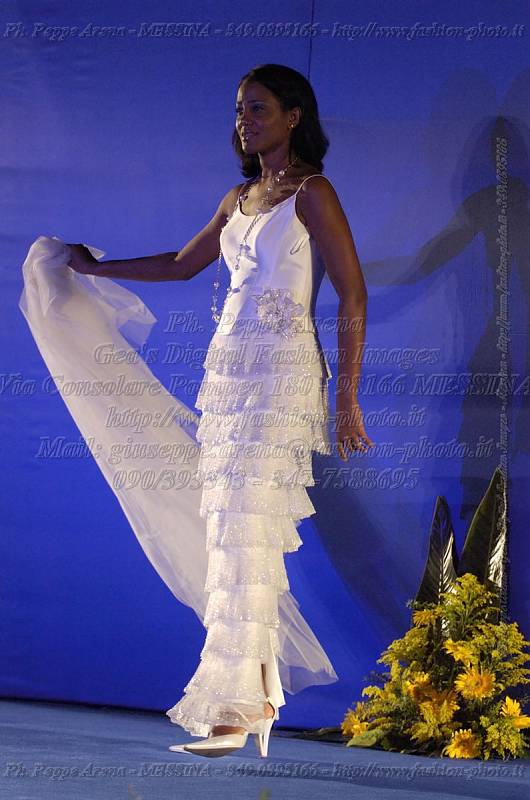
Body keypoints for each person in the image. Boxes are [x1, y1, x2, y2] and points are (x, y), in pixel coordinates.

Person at [65, 63, 373, 758]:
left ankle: (241, 709)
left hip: (281, 374)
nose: (245, 120)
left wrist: (347, 396)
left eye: (258, 108)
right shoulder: (238, 199)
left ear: (294, 116)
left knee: (250, 530)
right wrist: (93, 268)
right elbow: (181, 263)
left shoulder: (314, 194)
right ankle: (252, 700)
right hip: (229, 376)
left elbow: (353, 294)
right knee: (230, 532)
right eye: (239, 109)